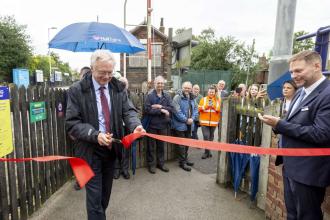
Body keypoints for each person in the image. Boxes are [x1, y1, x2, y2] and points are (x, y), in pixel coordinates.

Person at [66, 50, 144, 220]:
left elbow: (129, 111)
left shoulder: (118, 87)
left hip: (111, 149)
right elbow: (72, 123)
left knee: (104, 196)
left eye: (110, 72)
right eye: (103, 72)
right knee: (94, 200)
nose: (107, 77)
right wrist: (95, 135)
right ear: (93, 68)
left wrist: (135, 125)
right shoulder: (77, 90)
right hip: (89, 150)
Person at [258, 50, 330, 220]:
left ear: (317, 66)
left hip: (309, 171)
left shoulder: (327, 94)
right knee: (292, 214)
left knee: (307, 216)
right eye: (291, 71)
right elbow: (295, 122)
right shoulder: (300, 91)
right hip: (290, 166)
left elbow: (322, 134)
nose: (294, 75)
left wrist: (280, 125)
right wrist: (278, 125)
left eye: (298, 70)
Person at [144, 75, 173, 174]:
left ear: (163, 84)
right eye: (158, 83)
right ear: (154, 84)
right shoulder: (150, 96)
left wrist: (159, 106)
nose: (160, 85)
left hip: (163, 125)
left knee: (161, 146)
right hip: (152, 126)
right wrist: (161, 110)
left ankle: (161, 164)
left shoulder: (167, 95)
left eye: (161, 83)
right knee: (151, 147)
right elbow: (147, 109)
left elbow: (171, 109)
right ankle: (152, 165)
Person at [171, 81, 198, 171]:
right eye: (185, 88)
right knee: (182, 145)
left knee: (187, 143)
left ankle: (185, 159)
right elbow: (177, 112)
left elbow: (195, 109)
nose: (187, 89)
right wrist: (186, 120)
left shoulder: (192, 97)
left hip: (190, 124)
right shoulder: (177, 98)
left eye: (189, 88)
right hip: (180, 125)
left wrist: (192, 119)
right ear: (182, 88)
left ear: (191, 89)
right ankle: (182, 162)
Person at [198, 85, 221, 159]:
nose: (211, 93)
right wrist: (206, 106)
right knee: (206, 136)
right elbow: (199, 109)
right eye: (210, 92)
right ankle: (206, 152)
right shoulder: (203, 99)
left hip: (213, 122)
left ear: (215, 92)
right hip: (204, 122)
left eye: (213, 92)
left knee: (211, 137)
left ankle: (208, 151)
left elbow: (219, 109)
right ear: (208, 92)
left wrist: (213, 106)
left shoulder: (218, 100)